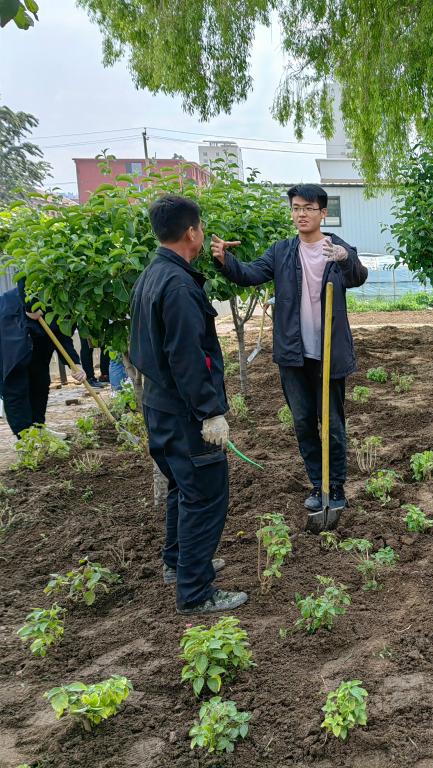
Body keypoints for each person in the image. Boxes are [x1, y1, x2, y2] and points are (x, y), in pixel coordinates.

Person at [211, 184, 368, 529]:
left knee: (332, 423)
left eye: (309, 208)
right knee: (302, 422)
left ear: (323, 213)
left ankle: (336, 486)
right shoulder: (282, 252)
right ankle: (317, 483)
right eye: (296, 208)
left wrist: (345, 258)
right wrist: (224, 260)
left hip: (329, 354)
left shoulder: (336, 247)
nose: (301, 214)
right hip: (294, 355)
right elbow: (249, 274)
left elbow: (358, 277)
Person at [130, 195, 246, 615]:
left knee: (182, 487)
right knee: (205, 495)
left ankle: (177, 563)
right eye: (201, 227)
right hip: (184, 412)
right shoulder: (178, 286)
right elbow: (186, 356)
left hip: (159, 405)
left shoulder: (152, 274)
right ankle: (195, 591)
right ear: (191, 232)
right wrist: (209, 412)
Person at [0, 279, 85, 438]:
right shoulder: (42, 279)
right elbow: (24, 275)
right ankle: (26, 437)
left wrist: (75, 364)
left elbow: (63, 334)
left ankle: (38, 427)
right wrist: (30, 305)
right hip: (11, 323)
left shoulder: (69, 298)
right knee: (16, 382)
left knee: (41, 380)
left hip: (39, 333)